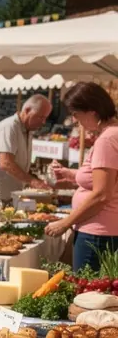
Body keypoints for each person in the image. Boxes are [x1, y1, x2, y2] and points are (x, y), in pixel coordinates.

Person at [46, 83, 118, 270]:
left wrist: (65, 222)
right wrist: (71, 175)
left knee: (87, 286)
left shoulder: (107, 140)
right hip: (105, 230)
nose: (74, 120)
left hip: (98, 233)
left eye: (76, 114)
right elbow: (105, 178)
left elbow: (102, 194)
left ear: (92, 113)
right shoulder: (112, 134)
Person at [0, 94, 53, 211]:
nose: (43, 122)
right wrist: (33, 181)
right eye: (40, 117)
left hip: (9, 196)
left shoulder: (27, 130)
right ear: (27, 110)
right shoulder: (9, 127)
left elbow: (20, 164)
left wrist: (37, 180)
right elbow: (6, 163)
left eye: (45, 118)